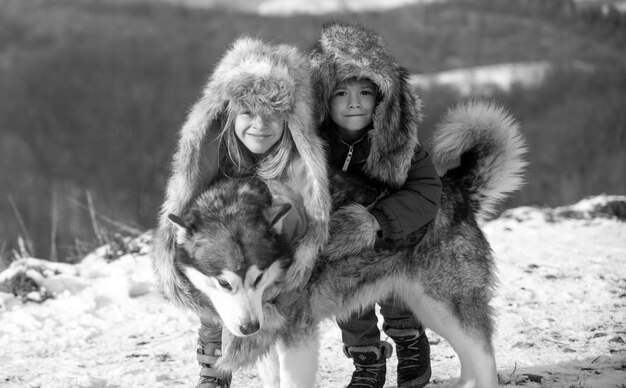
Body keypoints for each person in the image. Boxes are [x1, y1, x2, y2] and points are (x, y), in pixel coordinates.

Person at [152, 37, 330, 388]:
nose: (259, 125)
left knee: (276, 296)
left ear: (290, 121)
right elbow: (184, 211)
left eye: (273, 114)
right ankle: (214, 370)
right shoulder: (210, 155)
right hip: (218, 246)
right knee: (219, 291)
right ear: (230, 113)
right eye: (248, 112)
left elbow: (306, 211)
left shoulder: (300, 162)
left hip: (276, 251)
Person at [309, 21, 442, 388]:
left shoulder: (399, 142)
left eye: (365, 91)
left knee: (395, 284)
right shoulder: (312, 147)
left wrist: (376, 223)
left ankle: (409, 340)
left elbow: (427, 192)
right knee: (347, 295)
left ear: (381, 98)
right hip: (336, 244)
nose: (354, 102)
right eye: (340, 93)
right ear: (323, 99)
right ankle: (367, 360)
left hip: (392, 235)